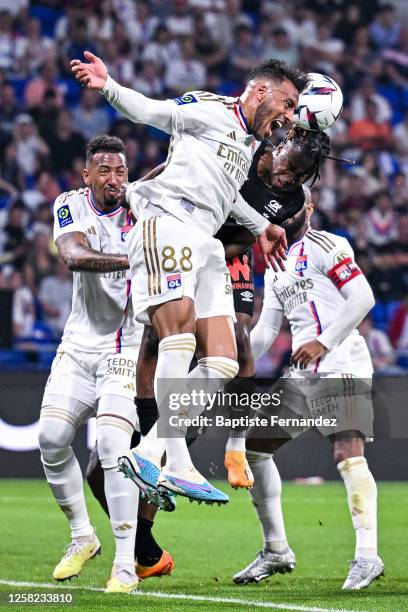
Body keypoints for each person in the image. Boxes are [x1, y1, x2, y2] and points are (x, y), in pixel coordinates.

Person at [71, 51, 308, 506]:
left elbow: (222, 194)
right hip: (169, 222)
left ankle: (158, 450)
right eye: (288, 103)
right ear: (261, 91)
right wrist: (107, 85)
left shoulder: (246, 140)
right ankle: (165, 457)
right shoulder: (208, 109)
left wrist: (262, 227)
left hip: (206, 242)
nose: (289, 116)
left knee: (223, 361)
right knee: (177, 340)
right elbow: (148, 111)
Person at [233, 190, 384, 590]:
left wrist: (324, 340)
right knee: (253, 447)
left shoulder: (329, 245)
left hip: (341, 363)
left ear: (310, 209)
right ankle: (276, 550)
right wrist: (237, 359)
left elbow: (363, 298)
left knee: (346, 452)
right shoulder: (277, 262)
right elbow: (267, 328)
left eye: (295, 205)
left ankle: (368, 557)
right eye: (279, 205)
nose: (285, 212)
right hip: (303, 374)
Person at [38, 135, 151, 594]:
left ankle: (125, 567)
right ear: (87, 176)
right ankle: (83, 536)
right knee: (51, 438)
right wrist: (132, 258)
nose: (114, 179)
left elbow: (166, 182)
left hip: (126, 348)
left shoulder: (143, 208)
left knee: (111, 445)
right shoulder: (70, 205)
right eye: (104, 170)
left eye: (121, 170)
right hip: (79, 344)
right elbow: (72, 255)